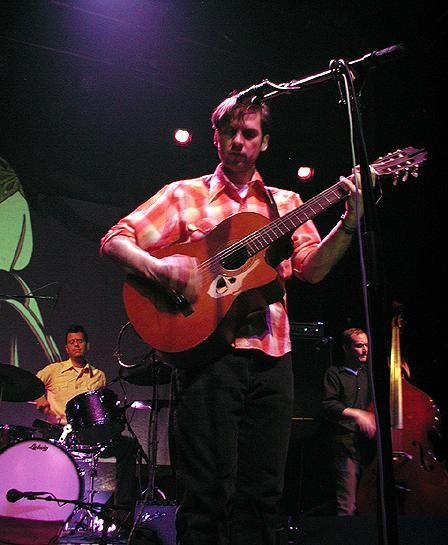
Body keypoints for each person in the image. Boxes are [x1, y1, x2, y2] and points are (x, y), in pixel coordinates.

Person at [100, 92, 365, 545]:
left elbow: (312, 269)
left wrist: (350, 221)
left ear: (264, 142)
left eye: (250, 134)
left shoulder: (287, 203)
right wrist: (160, 268)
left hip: (272, 358)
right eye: (230, 133)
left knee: (262, 496)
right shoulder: (184, 194)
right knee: (207, 495)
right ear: (216, 138)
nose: (239, 141)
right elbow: (115, 239)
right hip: (209, 360)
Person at [34, 324, 140, 526]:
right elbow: (31, 384)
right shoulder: (53, 370)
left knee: (128, 446)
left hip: (90, 434)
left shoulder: (98, 375)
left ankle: (122, 511)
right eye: (72, 342)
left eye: (80, 341)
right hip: (60, 433)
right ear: (66, 347)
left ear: (87, 345)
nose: (76, 345)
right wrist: (41, 399)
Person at [321, 327, 376, 516]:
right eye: (359, 346)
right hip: (345, 442)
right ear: (346, 348)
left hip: (369, 444)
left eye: (367, 346)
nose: (365, 350)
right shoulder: (334, 373)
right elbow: (329, 405)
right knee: (347, 503)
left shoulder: (369, 374)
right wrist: (358, 414)